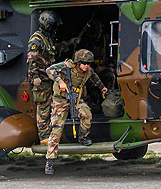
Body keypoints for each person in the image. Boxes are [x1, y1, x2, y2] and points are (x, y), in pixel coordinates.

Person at [44, 49, 108, 175]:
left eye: (89, 63)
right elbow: (49, 70)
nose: (87, 65)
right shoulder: (67, 66)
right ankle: (50, 160)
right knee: (57, 129)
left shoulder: (88, 71)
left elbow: (94, 77)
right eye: (84, 63)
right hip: (60, 100)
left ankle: (82, 136)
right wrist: (60, 81)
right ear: (78, 62)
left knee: (87, 114)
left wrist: (103, 88)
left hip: (76, 98)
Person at [27, 10, 80, 145]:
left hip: (49, 77)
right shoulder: (36, 40)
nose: (55, 28)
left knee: (52, 105)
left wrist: (70, 42)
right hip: (41, 79)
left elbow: (56, 48)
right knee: (43, 106)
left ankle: (53, 133)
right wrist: (36, 79)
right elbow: (32, 60)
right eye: (53, 26)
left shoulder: (47, 39)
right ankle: (44, 136)